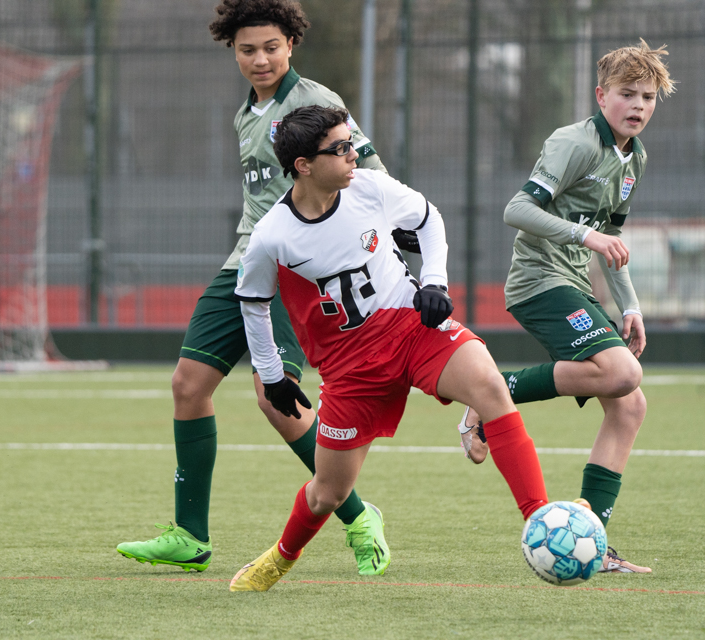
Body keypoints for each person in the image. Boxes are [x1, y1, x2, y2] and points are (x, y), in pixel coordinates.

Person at [117, 0, 402, 576]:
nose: (260, 58)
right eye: (248, 49)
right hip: (245, 262)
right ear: (234, 52)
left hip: (299, 271)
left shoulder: (318, 105)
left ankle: (355, 513)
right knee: (188, 384)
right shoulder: (246, 112)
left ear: (290, 43)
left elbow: (373, 177)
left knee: (278, 400)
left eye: (270, 46)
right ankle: (190, 537)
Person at [228, 105, 550, 592]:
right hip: (349, 369)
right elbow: (252, 302)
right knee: (328, 494)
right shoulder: (272, 236)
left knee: (488, 385)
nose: (353, 153)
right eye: (339, 148)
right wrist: (271, 373)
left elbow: (429, 219)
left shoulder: (371, 188)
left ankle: (540, 522)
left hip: (409, 327)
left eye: (350, 141)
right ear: (303, 166)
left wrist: (435, 282)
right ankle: (280, 557)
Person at [457, 39, 675, 574]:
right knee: (623, 373)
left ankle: (594, 542)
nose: (638, 106)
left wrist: (632, 307)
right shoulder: (573, 143)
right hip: (538, 281)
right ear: (601, 96)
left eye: (648, 97)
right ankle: (491, 398)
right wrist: (585, 236)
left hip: (575, 283)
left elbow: (614, 241)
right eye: (628, 94)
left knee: (631, 404)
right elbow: (517, 209)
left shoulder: (633, 159)